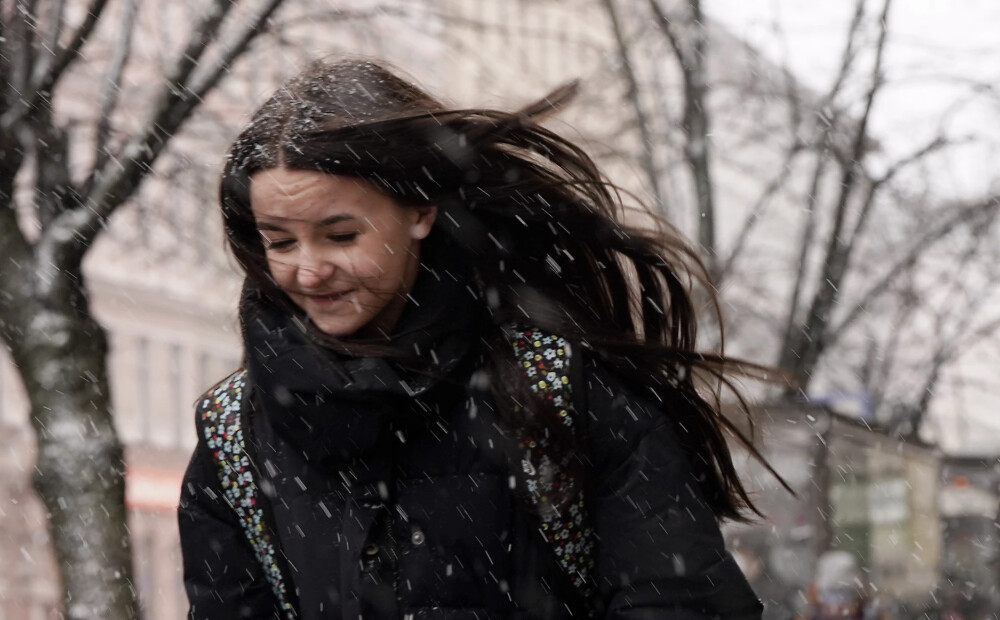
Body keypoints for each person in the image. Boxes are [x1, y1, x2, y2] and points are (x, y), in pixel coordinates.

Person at [177, 58, 767, 619]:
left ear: (421, 210)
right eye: (280, 242)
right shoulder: (234, 433)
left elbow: (677, 599)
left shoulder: (560, 389)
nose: (307, 270)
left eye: (340, 234)